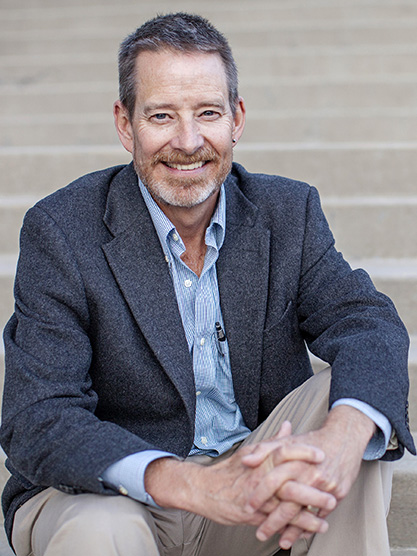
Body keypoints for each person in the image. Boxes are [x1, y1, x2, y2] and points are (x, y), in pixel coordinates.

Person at [1, 12, 415, 556]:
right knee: (103, 527)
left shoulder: (286, 212)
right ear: (125, 124)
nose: (189, 141)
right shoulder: (62, 230)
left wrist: (340, 440)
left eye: (208, 113)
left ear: (237, 118)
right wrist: (192, 484)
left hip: (251, 496)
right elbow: (39, 416)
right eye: (162, 116)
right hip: (115, 494)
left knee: (349, 412)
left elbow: (369, 326)